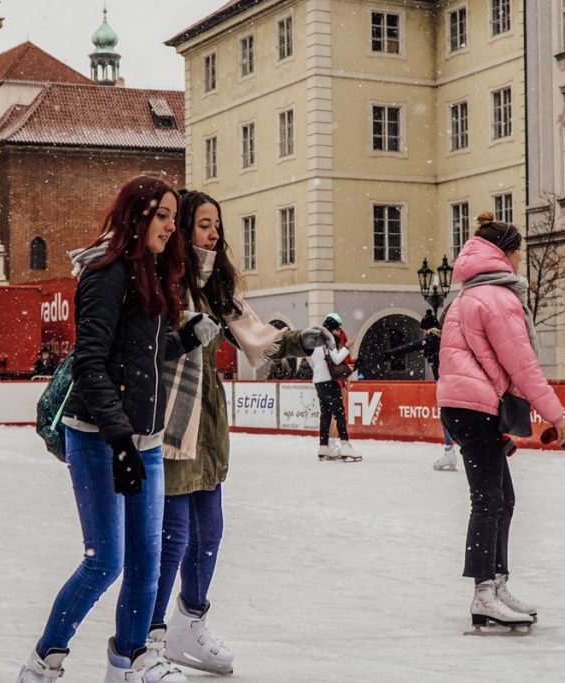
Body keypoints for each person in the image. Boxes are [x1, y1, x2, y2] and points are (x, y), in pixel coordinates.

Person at [15, 175, 217, 683]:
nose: (172, 227)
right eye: (164, 216)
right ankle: (44, 660)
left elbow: (142, 359)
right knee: (105, 559)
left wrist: (184, 339)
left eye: (175, 217)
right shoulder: (107, 274)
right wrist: (120, 440)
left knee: (146, 561)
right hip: (99, 437)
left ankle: (129, 661)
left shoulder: (152, 272)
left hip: (143, 441)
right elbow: (91, 364)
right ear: (137, 215)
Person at [147, 190, 334, 680]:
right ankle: (151, 635)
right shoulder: (162, 282)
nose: (215, 234)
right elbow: (144, 349)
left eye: (217, 225)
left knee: (210, 531)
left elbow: (256, 334)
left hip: (207, 427)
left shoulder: (214, 286)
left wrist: (300, 339)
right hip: (169, 424)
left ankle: (190, 621)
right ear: (183, 228)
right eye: (205, 224)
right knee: (174, 536)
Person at [437, 221, 565, 633]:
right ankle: (483, 594)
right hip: (474, 406)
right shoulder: (497, 298)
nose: (519, 258)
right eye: (518, 250)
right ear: (504, 253)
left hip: (469, 405)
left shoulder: (467, 296)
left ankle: (495, 584)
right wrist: (557, 415)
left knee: (502, 499)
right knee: (489, 501)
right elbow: (522, 364)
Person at [382, 308, 457, 471]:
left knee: (446, 417)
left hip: (444, 382)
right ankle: (453, 450)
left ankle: (450, 451)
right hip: (452, 380)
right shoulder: (443, 339)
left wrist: (391, 354)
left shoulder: (431, 339)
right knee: (450, 416)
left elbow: (411, 346)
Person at [310, 312, 361, 462]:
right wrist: (346, 346)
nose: (339, 331)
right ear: (333, 329)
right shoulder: (328, 339)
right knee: (339, 413)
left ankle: (324, 446)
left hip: (318, 381)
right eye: (338, 328)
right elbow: (337, 360)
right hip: (328, 380)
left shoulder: (315, 341)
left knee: (325, 414)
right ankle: (345, 445)